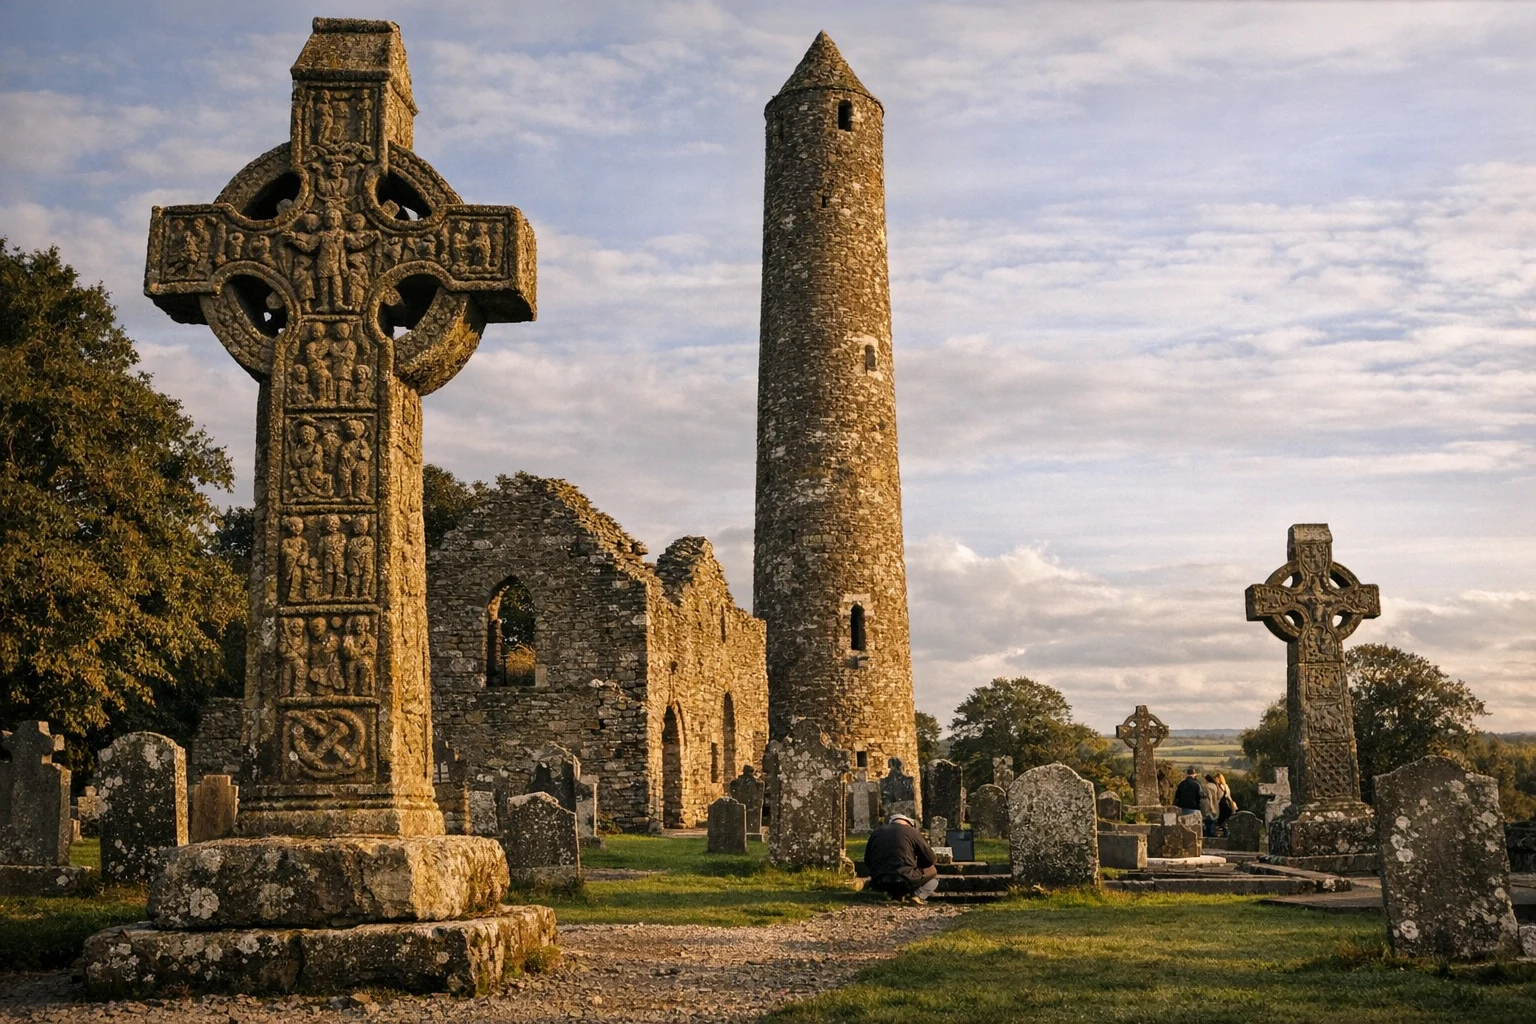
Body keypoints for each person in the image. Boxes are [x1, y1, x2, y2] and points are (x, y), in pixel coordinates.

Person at [864, 813, 938, 905]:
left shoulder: (876, 832)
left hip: (880, 879)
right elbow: (930, 859)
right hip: (906, 880)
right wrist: (918, 864)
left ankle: (887, 894)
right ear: (909, 824)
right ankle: (917, 895)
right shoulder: (913, 832)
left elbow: (867, 860)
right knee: (933, 872)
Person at [1200, 773, 1222, 838]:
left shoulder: (1204, 786)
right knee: (1212, 818)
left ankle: (1207, 832)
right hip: (1214, 803)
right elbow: (1219, 795)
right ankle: (1211, 832)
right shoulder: (1215, 786)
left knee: (1206, 818)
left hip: (1205, 803)